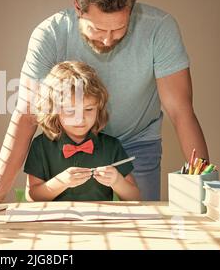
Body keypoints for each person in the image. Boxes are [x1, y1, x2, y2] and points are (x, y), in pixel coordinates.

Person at [0, 0, 209, 202]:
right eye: (97, 29)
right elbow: (27, 113)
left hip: (136, 143)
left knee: (140, 223)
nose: (107, 40)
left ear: (131, 10)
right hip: (67, 142)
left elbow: (181, 112)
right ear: (77, 8)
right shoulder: (49, 34)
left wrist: (203, 186)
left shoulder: (160, 29)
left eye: (118, 29)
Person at [24, 61, 140, 201]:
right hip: (54, 221)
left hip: (100, 220)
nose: (80, 118)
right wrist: (60, 183)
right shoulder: (40, 146)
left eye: (89, 109)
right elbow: (32, 197)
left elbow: (135, 197)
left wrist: (117, 182)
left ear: (99, 108)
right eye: (70, 111)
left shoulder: (111, 146)